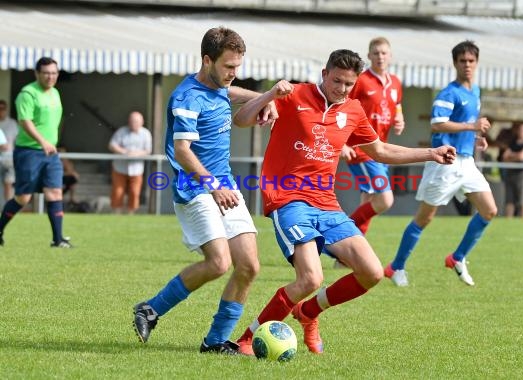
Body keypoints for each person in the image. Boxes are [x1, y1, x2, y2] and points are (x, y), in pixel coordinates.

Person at [231, 49, 455, 355]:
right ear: (324, 74)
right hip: (288, 199)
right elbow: (241, 120)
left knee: (372, 272)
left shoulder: (352, 110)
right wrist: (269, 94)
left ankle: (309, 312)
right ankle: (247, 339)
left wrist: (431, 153)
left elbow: (381, 152)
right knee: (310, 278)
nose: (342, 89)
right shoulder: (293, 95)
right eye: (337, 81)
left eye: (349, 84)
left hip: (327, 204)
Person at [132, 26, 275, 355]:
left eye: (237, 67)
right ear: (207, 60)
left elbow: (231, 93)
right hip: (195, 187)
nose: (233, 74)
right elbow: (182, 150)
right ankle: (149, 310)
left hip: (223, 184)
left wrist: (265, 98)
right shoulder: (186, 97)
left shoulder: (219, 85)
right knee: (218, 263)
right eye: (228, 67)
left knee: (250, 266)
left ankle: (214, 342)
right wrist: (212, 185)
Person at [384, 40, 497, 287]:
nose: (467, 65)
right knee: (424, 218)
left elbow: (468, 124)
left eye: (471, 61)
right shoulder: (449, 93)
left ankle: (457, 257)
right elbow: (437, 124)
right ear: (455, 63)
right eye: (462, 61)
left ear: (477, 63)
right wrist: (472, 126)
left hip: (466, 162)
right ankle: (396, 267)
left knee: (489, 210)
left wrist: (478, 138)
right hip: (444, 163)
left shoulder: (475, 92)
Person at [0, 57, 71, 248]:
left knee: (55, 192)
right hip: (29, 151)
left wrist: (52, 142)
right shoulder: (28, 93)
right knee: (23, 197)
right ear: (37, 73)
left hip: (51, 152)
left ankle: (58, 240)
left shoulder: (55, 93)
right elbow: (26, 121)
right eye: (46, 73)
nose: (51, 77)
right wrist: (43, 142)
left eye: (54, 73)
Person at [342, 37, 405, 236]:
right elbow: (342, 107)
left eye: (384, 53)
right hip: (361, 149)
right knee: (385, 199)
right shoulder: (360, 80)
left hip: (381, 149)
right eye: (376, 53)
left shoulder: (395, 82)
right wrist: (343, 143)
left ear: (390, 56)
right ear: (369, 56)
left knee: (368, 199)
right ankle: (341, 235)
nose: (380, 57)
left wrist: (400, 119)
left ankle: (349, 253)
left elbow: (397, 105)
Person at [108, 111, 152, 214]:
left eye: (136, 121)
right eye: (132, 121)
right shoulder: (121, 131)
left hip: (136, 169)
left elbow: (148, 150)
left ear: (142, 122)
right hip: (120, 167)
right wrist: (125, 152)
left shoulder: (146, 133)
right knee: (118, 192)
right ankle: (116, 215)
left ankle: (130, 215)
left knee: (134, 192)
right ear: (129, 121)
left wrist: (136, 154)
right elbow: (112, 145)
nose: (134, 124)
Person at [502, 122, 523, 218]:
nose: (521, 132)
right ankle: (508, 221)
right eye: (520, 130)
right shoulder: (513, 143)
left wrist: (512, 156)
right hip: (511, 173)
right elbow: (504, 157)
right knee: (509, 200)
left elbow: (522, 157)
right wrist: (516, 156)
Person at [0, 99, 19, 202]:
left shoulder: (12, 123)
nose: (1, 111)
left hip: (9, 159)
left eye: (3, 108)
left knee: (9, 184)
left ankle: (8, 210)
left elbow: (17, 141)